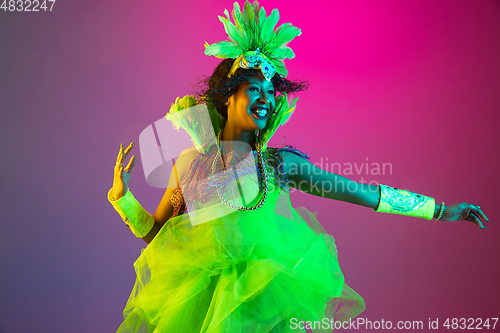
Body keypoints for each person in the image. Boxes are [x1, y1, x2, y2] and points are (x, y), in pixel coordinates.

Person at [108, 1, 490, 332]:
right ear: (228, 95)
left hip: (265, 307)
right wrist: (123, 200)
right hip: (201, 308)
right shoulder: (192, 161)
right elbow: (158, 236)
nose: (265, 99)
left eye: (271, 91)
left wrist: (441, 210)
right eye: (254, 88)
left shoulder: (278, 166)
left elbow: (362, 193)